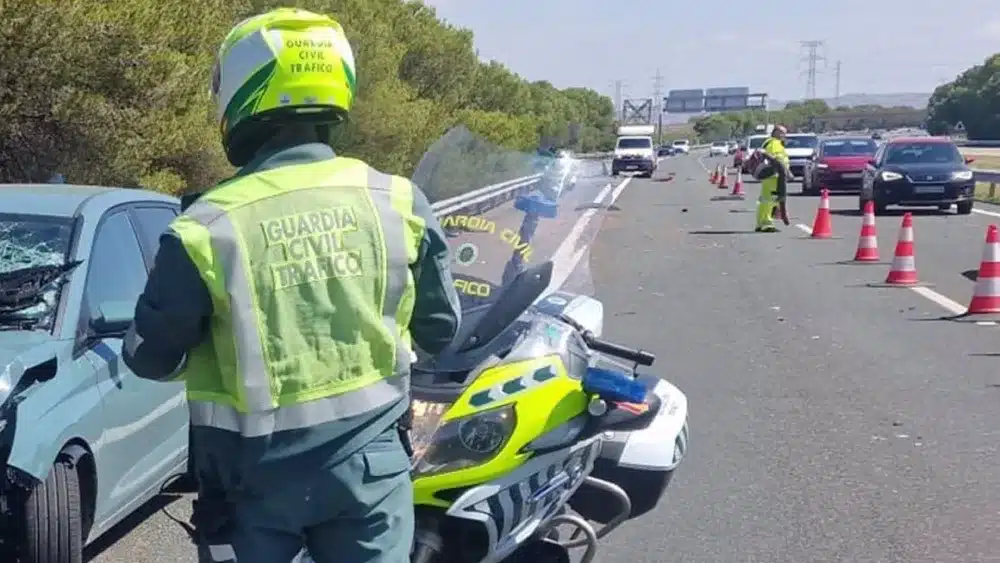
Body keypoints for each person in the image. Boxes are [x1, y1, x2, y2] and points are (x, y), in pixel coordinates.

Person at [121, 8, 461, 563]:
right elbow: (440, 330)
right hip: (369, 474)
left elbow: (150, 358)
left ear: (239, 94)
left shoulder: (206, 226)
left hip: (250, 484)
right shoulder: (398, 202)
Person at [755, 125, 792, 232]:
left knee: (765, 199)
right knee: (770, 200)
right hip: (775, 176)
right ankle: (767, 224)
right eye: (782, 133)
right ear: (776, 133)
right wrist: (787, 172)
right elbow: (777, 159)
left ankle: (761, 222)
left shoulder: (770, 142)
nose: (784, 136)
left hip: (772, 176)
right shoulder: (774, 143)